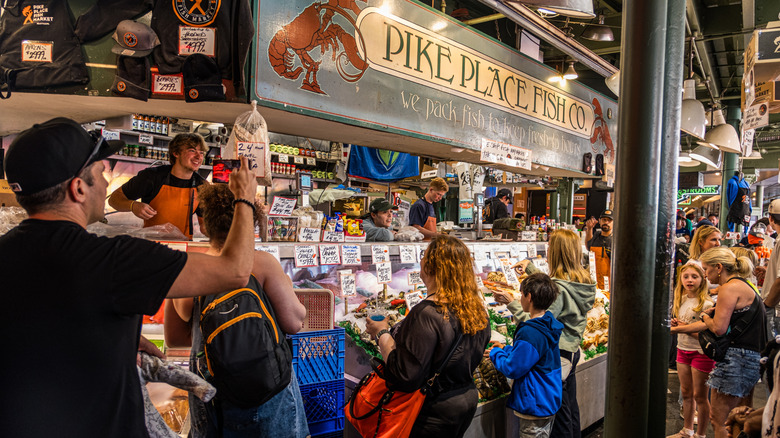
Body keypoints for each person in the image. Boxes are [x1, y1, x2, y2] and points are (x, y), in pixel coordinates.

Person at [0, 118, 258, 437]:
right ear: (78, 188)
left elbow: (43, 320)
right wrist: (245, 198)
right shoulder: (116, 259)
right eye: (100, 170)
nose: (106, 178)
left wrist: (120, 334)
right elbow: (234, 271)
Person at [164, 183, 308, 438]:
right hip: (266, 390)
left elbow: (174, 339)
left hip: (212, 392)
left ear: (204, 225)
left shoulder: (189, 267)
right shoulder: (262, 262)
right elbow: (294, 322)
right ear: (249, 220)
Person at [364, 235, 491, 437]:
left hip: (433, 409)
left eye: (425, 257)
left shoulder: (427, 314)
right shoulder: (476, 309)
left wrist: (381, 333)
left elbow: (406, 375)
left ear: (431, 268)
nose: (421, 261)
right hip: (464, 400)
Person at [495, 229, 597, 438]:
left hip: (559, 354)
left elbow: (540, 324)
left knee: (560, 415)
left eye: (551, 246)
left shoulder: (559, 289)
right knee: (570, 406)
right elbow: (557, 286)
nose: (548, 250)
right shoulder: (580, 280)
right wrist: (531, 269)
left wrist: (512, 304)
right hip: (572, 348)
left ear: (556, 252)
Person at [673, 247, 766, 438]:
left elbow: (718, 328)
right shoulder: (745, 285)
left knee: (720, 419)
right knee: (739, 419)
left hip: (736, 359)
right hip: (749, 358)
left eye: (706, 269)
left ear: (718, 267)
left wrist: (705, 317)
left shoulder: (729, 288)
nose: (705, 275)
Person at [487, 273, 563, 438]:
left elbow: (512, 368)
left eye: (521, 294)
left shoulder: (531, 331)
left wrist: (495, 353)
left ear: (529, 296)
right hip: (548, 398)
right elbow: (531, 357)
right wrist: (506, 349)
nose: (520, 298)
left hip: (535, 404)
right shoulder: (547, 324)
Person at [108, 132, 209, 239]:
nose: (199, 157)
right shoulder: (151, 177)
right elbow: (114, 199)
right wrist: (133, 206)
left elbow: (204, 225)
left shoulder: (203, 186)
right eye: (192, 151)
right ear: (176, 153)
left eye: (201, 153)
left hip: (183, 248)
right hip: (153, 245)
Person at [667, 263, 714, 438]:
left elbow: (707, 335)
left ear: (702, 279)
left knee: (700, 396)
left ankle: (700, 434)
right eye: (686, 276)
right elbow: (682, 325)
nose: (689, 280)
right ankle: (687, 430)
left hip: (701, 354)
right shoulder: (681, 300)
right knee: (686, 394)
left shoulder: (707, 303)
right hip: (682, 350)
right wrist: (677, 325)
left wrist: (681, 328)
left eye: (694, 277)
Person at [762, 201, 780, 340]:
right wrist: (768, 271)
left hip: (776, 309)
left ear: (771, 219)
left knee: (772, 353)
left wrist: (767, 305)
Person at [585, 209, 613, 290]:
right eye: (604, 220)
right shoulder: (596, 235)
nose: (606, 222)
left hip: (609, 284)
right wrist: (589, 229)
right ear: (599, 221)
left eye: (609, 220)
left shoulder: (615, 240)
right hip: (594, 281)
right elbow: (588, 246)